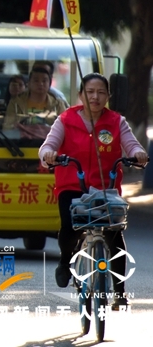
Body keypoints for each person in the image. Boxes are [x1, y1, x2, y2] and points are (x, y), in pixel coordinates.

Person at [39, 73, 148, 308]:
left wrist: (138, 154)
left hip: (106, 190)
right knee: (69, 227)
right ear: (80, 95)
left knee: (114, 234)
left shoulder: (117, 121)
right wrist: (48, 155)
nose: (95, 97)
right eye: (90, 92)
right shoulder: (65, 120)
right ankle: (65, 260)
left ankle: (119, 291)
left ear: (108, 96)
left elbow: (131, 144)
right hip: (72, 186)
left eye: (101, 92)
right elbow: (48, 145)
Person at [2, 67, 68, 138]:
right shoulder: (15, 103)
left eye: (44, 81)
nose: (40, 84)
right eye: (36, 81)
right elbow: (7, 128)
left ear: (49, 84)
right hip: (21, 145)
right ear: (29, 84)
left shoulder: (58, 104)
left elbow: (65, 129)